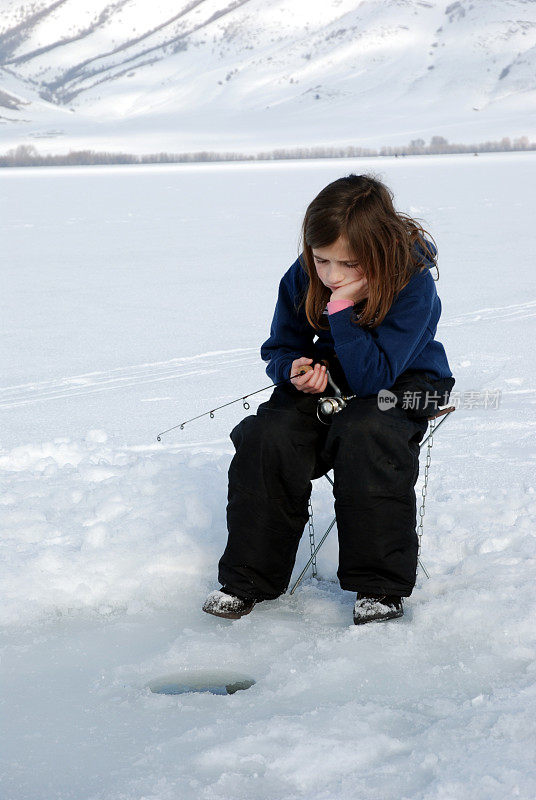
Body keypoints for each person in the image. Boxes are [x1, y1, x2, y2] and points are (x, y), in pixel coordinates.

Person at [203, 174, 455, 625]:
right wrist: (294, 370)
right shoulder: (303, 276)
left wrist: (339, 310)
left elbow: (375, 377)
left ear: (377, 252)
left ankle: (379, 587)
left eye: (349, 264)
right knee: (270, 434)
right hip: (337, 376)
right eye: (322, 261)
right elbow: (280, 346)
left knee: (366, 428)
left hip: (409, 383)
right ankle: (248, 579)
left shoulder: (413, 284)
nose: (332, 276)